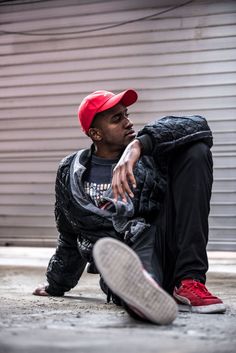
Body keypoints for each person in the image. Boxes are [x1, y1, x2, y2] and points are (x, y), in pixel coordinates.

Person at [33, 89, 226, 324]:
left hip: (161, 244)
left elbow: (197, 126)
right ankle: (142, 294)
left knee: (196, 150)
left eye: (126, 114)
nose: (128, 122)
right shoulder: (69, 171)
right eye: (117, 119)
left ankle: (189, 282)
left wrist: (139, 145)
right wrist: (56, 284)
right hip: (123, 259)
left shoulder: (150, 155)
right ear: (96, 133)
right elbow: (69, 233)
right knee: (125, 254)